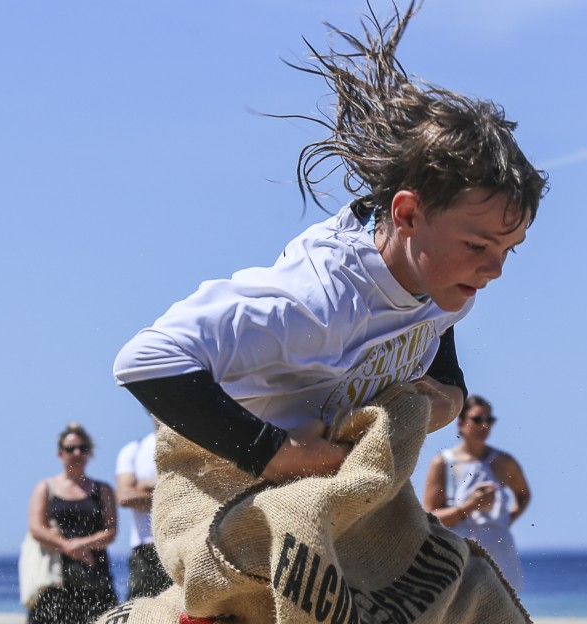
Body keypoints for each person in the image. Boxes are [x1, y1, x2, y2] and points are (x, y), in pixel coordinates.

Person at [112, 1, 546, 489]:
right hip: (234, 490)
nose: (494, 270)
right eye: (477, 245)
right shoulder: (315, 302)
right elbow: (145, 359)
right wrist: (273, 454)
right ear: (406, 215)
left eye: (508, 249)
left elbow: (432, 320)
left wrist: (452, 391)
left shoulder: (442, 275)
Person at [422, 395, 532, 624]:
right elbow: (430, 516)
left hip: (500, 559)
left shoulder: (503, 462)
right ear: (461, 423)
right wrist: (470, 507)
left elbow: (523, 496)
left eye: (488, 420)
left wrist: (502, 523)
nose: (483, 426)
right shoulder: (444, 463)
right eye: (477, 419)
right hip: (461, 560)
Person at [26, 423, 119, 624]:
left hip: (94, 575)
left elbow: (110, 531)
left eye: (81, 448)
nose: (76, 454)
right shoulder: (46, 488)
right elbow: (36, 528)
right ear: (60, 453)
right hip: (57, 577)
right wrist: (68, 547)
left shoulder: (102, 489)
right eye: (70, 449)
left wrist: (83, 544)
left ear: (89, 452)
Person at [114, 424, 171, 600]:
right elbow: (125, 497)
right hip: (146, 548)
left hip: (178, 544)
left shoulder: (189, 446)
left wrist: (145, 486)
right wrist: (166, 490)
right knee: (139, 614)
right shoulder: (134, 449)